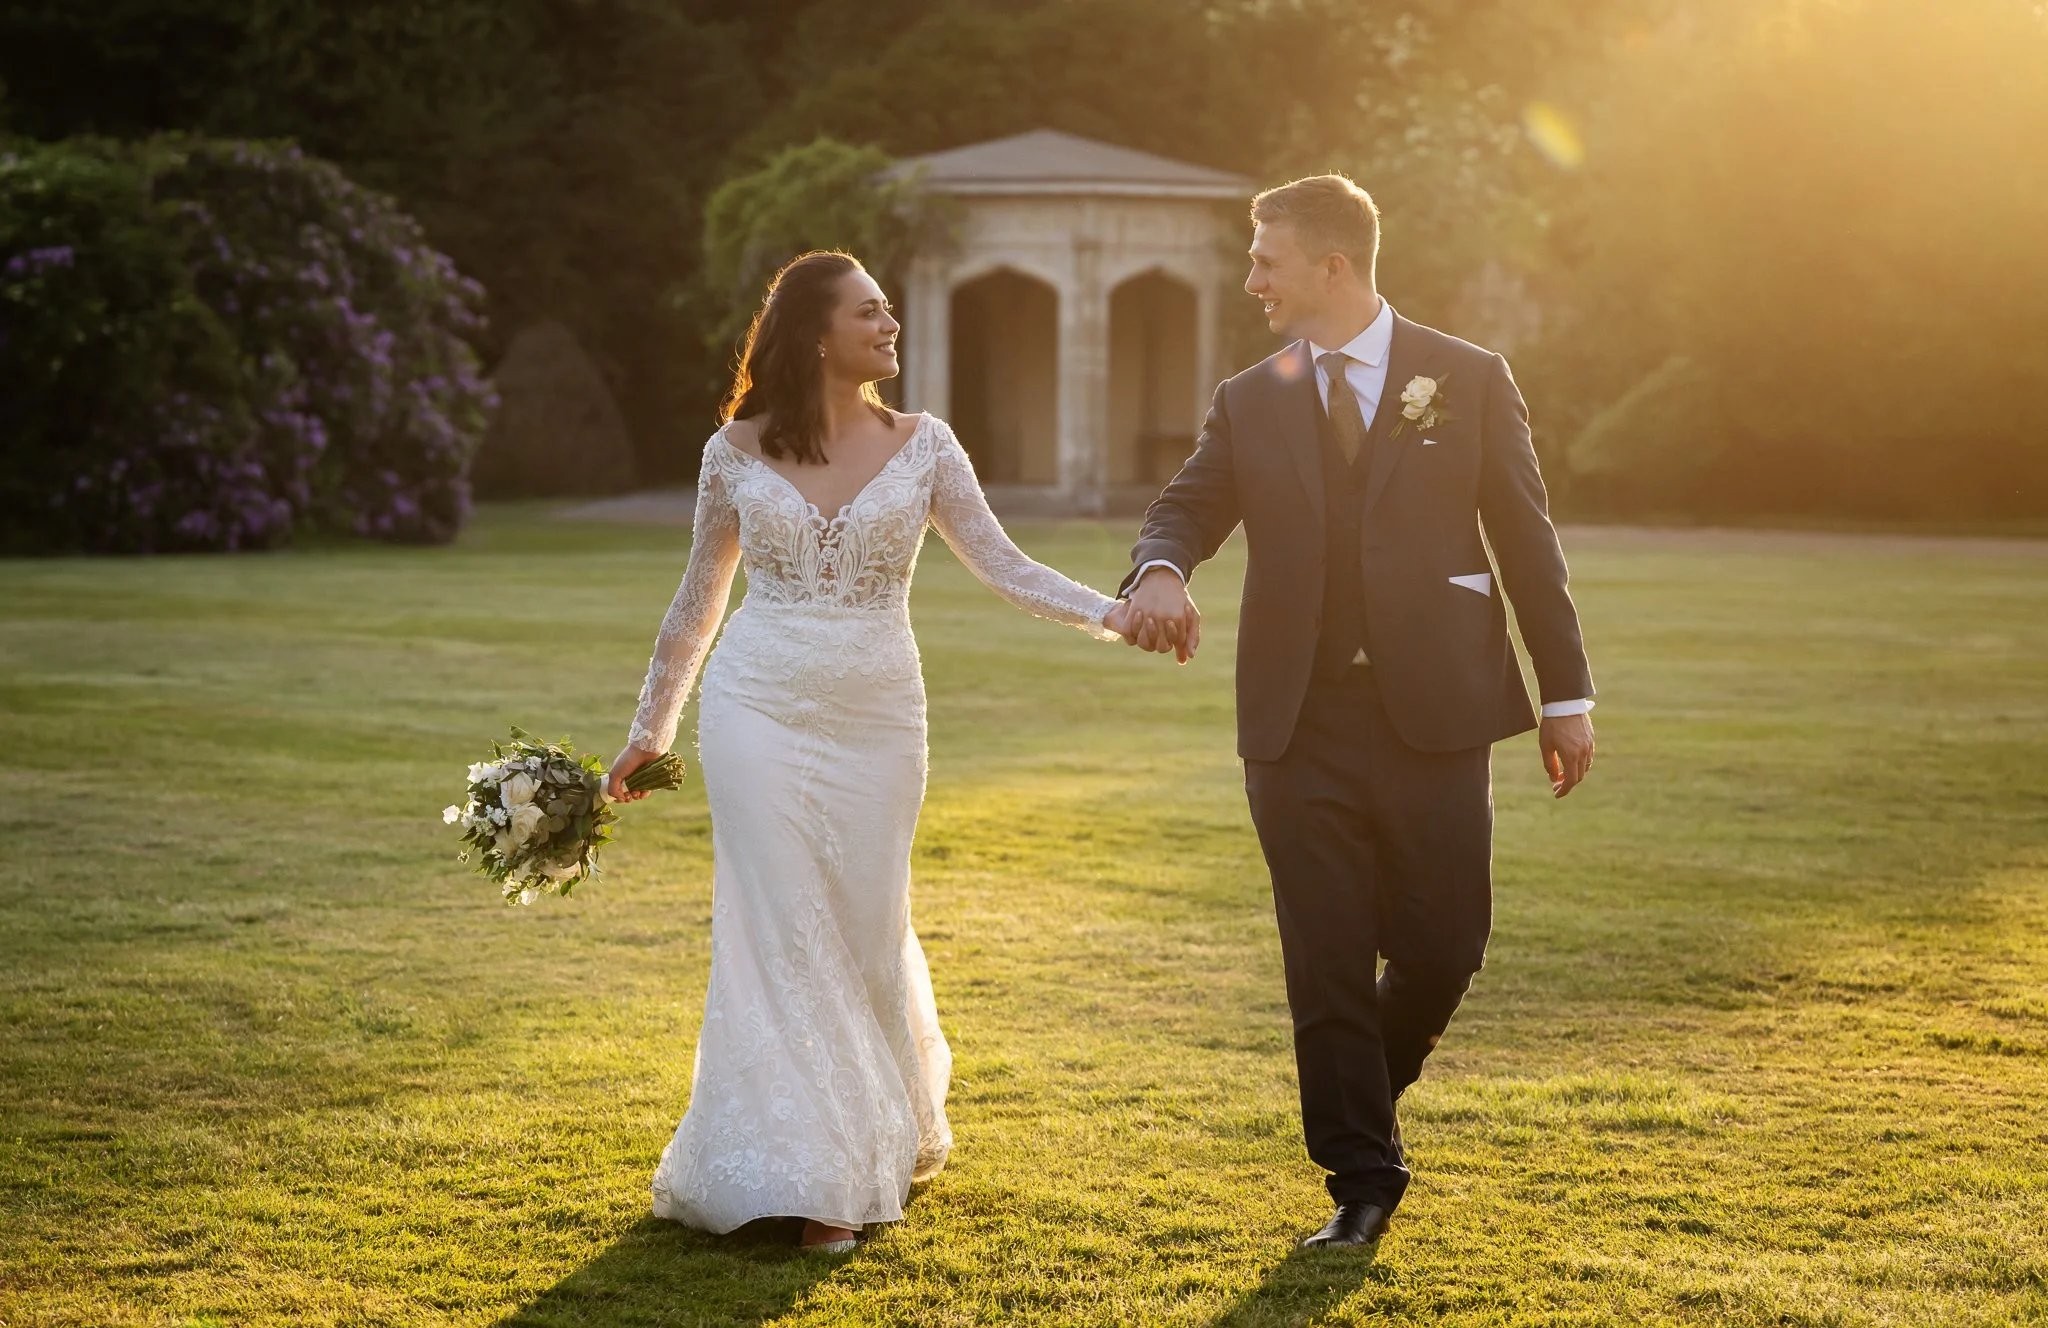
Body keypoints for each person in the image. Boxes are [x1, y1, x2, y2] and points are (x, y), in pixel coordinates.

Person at [606, 251, 1132, 1253]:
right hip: (754, 705)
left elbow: (1005, 566)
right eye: (870, 313)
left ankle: (868, 1134)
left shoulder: (924, 445)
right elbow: (695, 604)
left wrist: (1115, 616)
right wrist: (650, 731)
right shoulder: (734, 451)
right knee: (777, 925)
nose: (891, 327)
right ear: (814, 333)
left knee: (859, 922)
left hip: (879, 718)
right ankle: (815, 1182)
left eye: (889, 311)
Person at [1118, 175, 1597, 1251]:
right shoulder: (1253, 395)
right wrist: (1158, 568)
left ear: (1332, 266)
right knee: (1324, 950)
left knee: (1444, 944)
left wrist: (1564, 694)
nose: (1252, 282)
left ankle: (1353, 1095)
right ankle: (1360, 1180)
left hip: (1437, 707)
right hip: (1297, 721)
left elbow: (1527, 542)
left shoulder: (1466, 378)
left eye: (1265, 261)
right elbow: (1190, 501)